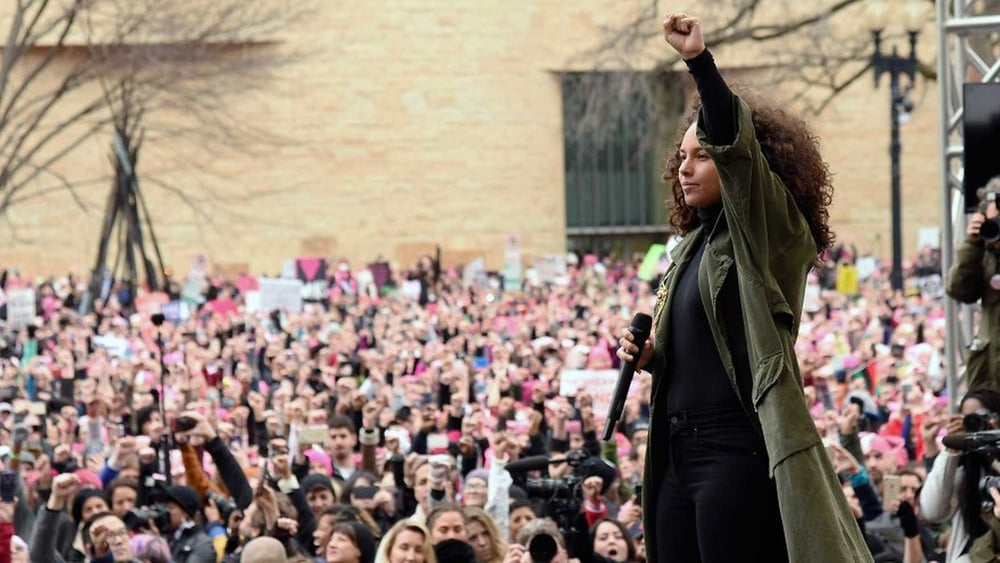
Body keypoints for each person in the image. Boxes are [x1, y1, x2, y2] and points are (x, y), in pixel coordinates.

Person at [616, 12, 870, 563]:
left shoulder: (769, 234)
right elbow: (717, 347)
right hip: (675, 449)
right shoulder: (689, 248)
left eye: (702, 156)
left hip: (734, 449)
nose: (685, 169)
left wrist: (698, 63)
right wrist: (656, 358)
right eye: (682, 158)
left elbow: (738, 149)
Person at [919, 386, 1000, 562]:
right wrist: (952, 448)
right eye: (968, 418)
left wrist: (992, 447)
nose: (975, 424)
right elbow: (933, 511)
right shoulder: (963, 465)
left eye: (981, 417)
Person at [946, 176, 1000, 390]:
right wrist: (972, 245)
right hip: (991, 371)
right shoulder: (982, 252)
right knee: (974, 408)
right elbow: (960, 291)